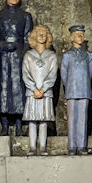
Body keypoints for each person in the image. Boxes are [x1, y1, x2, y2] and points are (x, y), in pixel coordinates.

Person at [0, 0, 35, 137]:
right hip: (3, 57)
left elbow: (29, 37)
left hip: (18, 56)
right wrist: (0, 45)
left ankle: (18, 125)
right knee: (3, 88)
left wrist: (21, 51)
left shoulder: (25, 16)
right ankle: (3, 125)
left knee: (18, 89)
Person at [21, 25, 58, 155]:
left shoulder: (52, 56)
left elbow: (53, 74)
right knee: (32, 120)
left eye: (44, 33)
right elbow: (25, 74)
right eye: (39, 33)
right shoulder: (28, 55)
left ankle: (42, 147)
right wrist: (33, 88)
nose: (42, 35)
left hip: (45, 93)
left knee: (43, 120)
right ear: (34, 37)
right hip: (32, 93)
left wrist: (43, 89)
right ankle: (32, 146)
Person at [60, 25, 92, 155]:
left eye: (82, 34)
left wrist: (83, 83)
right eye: (77, 34)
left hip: (84, 89)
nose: (80, 37)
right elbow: (64, 74)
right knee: (71, 118)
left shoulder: (88, 55)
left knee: (82, 118)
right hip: (71, 89)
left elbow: (90, 73)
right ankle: (71, 145)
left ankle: (81, 145)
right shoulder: (67, 55)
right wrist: (69, 85)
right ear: (71, 37)